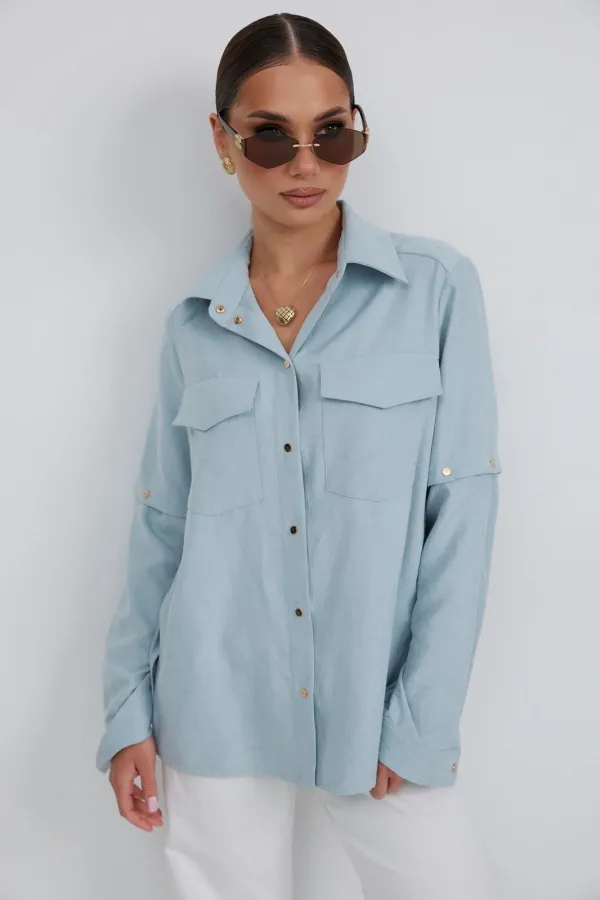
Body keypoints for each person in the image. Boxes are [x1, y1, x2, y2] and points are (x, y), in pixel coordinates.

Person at [96, 12, 502, 900]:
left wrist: (421, 719)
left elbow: (462, 515)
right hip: (213, 704)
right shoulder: (192, 326)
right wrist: (128, 709)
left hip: (376, 702)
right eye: (271, 136)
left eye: (333, 133)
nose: (306, 164)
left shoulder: (435, 290)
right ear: (223, 141)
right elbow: (162, 527)